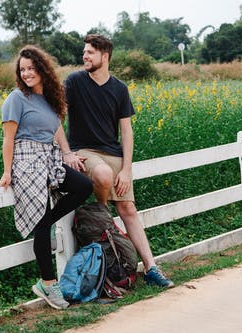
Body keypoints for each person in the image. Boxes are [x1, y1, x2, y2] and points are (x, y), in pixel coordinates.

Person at [63, 34, 174, 288]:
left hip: (114, 154)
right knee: (101, 174)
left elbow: (126, 132)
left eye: (90, 52)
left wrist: (126, 169)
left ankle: (151, 268)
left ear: (105, 56)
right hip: (86, 152)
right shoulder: (74, 82)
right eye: (84, 52)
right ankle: (104, 216)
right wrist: (66, 152)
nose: (85, 56)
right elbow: (56, 116)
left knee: (129, 210)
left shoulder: (119, 89)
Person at [0, 45, 93, 309]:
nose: (27, 73)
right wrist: (7, 172)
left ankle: (45, 220)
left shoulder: (50, 98)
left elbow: (57, 126)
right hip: (26, 160)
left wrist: (67, 152)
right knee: (41, 224)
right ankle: (48, 284)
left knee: (83, 186)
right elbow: (8, 139)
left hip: (48, 157)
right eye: (22, 69)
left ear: (42, 69)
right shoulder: (16, 99)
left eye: (31, 68)